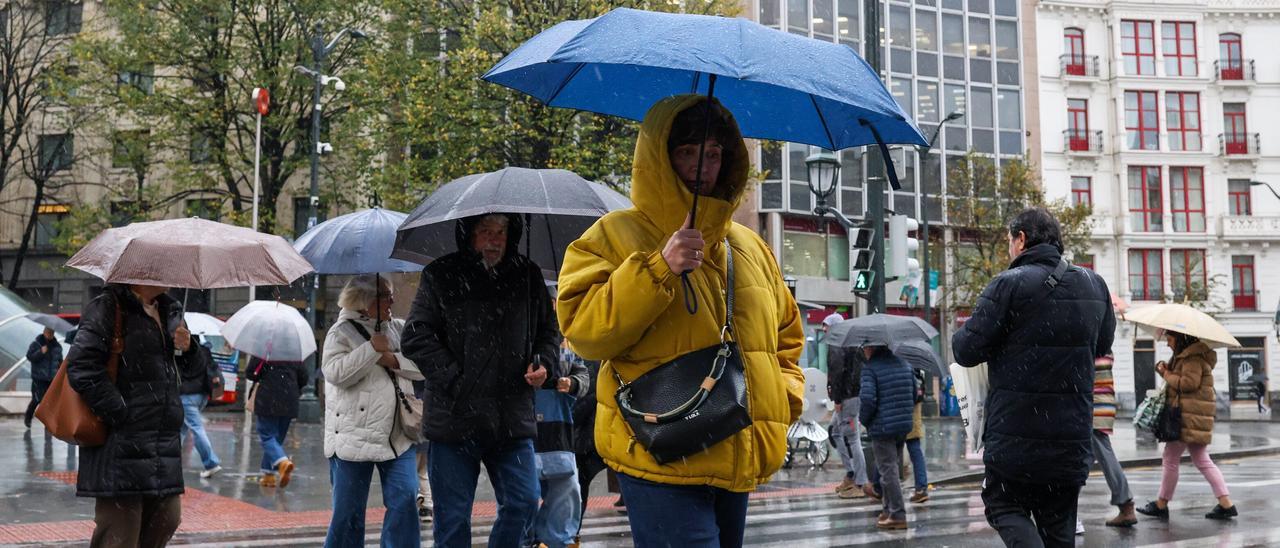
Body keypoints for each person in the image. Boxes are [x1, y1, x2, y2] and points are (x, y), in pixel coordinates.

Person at [556, 95, 805, 548]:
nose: (701, 166)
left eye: (712, 154)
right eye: (688, 152)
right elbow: (585, 332)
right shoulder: (612, 236)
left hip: (735, 448)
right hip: (659, 452)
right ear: (660, 157)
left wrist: (780, 399)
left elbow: (786, 335)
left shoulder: (749, 246)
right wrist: (658, 268)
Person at [951, 207, 1116, 547]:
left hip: (1016, 437)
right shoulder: (1094, 285)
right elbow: (1103, 344)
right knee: (1059, 529)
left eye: (1010, 241)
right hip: (1071, 439)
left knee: (1002, 504)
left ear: (1021, 239)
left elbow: (965, 350)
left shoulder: (1007, 285)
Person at [402, 212, 562, 548]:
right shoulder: (442, 274)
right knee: (453, 519)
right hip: (454, 419)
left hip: (511, 418)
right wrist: (457, 380)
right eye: (485, 231)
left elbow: (549, 332)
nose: (494, 239)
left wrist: (544, 362)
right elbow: (416, 336)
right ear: (469, 234)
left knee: (524, 501)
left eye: (501, 232)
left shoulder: (527, 275)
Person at [66, 284, 191, 548]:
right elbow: (82, 367)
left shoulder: (172, 311)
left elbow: (190, 370)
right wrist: (121, 412)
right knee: (120, 533)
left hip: (162, 443)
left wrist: (189, 349)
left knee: (167, 518)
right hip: (121, 444)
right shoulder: (108, 307)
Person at [322, 275, 425, 547]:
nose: (392, 300)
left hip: (397, 435)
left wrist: (391, 358)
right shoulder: (340, 332)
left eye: (390, 294)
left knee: (405, 500)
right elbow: (336, 374)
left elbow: (423, 367)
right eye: (384, 295)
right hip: (352, 436)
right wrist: (370, 349)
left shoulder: (399, 328)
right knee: (348, 514)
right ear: (364, 300)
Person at [1135, 330, 1237, 521]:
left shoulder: (1192, 359)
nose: (1167, 344)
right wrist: (1168, 368)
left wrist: (1166, 373)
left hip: (1186, 418)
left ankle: (1161, 504)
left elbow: (1188, 383)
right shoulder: (1190, 357)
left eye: (1170, 339)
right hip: (1192, 417)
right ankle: (1226, 503)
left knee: (1171, 459)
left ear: (1181, 340)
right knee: (1201, 460)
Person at [529, 352, 590, 548]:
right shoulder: (518, 334)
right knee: (522, 496)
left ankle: (557, 541)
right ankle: (529, 539)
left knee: (566, 492)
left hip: (557, 431)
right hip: (527, 428)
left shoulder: (566, 346)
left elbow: (583, 376)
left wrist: (572, 383)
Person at [859, 345, 915, 530]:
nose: (864, 350)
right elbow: (913, 393)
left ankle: (898, 513)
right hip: (902, 425)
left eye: (865, 347)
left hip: (882, 426)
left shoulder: (870, 368)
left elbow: (868, 399)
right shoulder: (905, 364)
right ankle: (887, 510)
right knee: (890, 469)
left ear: (871, 348)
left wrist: (864, 420)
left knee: (888, 471)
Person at [1086, 355, 1137, 527]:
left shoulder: (1092, 350)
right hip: (1103, 406)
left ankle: (1126, 503)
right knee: (1084, 459)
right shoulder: (1105, 350)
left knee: (1102, 457)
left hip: (1094, 408)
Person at [824, 314, 870, 500]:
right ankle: (851, 474)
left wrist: (836, 399)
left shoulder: (838, 344)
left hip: (846, 398)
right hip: (851, 396)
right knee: (835, 431)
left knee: (853, 438)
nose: (824, 329)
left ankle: (860, 482)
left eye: (826, 325)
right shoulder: (852, 344)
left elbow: (837, 371)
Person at [249, 355, 308, 488]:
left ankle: (282, 462)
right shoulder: (294, 352)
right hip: (289, 398)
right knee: (276, 439)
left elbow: (250, 373)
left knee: (267, 435)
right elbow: (304, 377)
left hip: (268, 397)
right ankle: (269, 475)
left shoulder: (264, 349)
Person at [178, 333, 223, 479]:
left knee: (195, 428)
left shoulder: (184, 353)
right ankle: (169, 461)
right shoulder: (205, 349)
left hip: (187, 395)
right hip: (202, 394)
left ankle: (211, 463)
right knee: (180, 428)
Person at [572, 353, 605, 541]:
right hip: (592, 435)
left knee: (577, 488)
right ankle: (570, 535)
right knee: (577, 488)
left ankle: (570, 535)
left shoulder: (585, 356)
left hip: (585, 438)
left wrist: (570, 420)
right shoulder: (592, 356)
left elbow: (587, 397)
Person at [25, 327, 62, 429]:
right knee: (36, 399)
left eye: (52, 333)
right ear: (44, 332)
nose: (50, 334)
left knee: (50, 402)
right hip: (39, 378)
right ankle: (28, 417)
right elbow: (30, 356)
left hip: (51, 379)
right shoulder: (36, 344)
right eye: (48, 332)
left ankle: (48, 424)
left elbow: (60, 362)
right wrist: (41, 352)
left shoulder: (57, 346)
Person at [905, 370, 930, 504]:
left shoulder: (905, 367)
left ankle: (878, 487)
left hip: (905, 409)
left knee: (889, 450)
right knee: (915, 449)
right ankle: (921, 487)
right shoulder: (915, 369)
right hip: (914, 411)